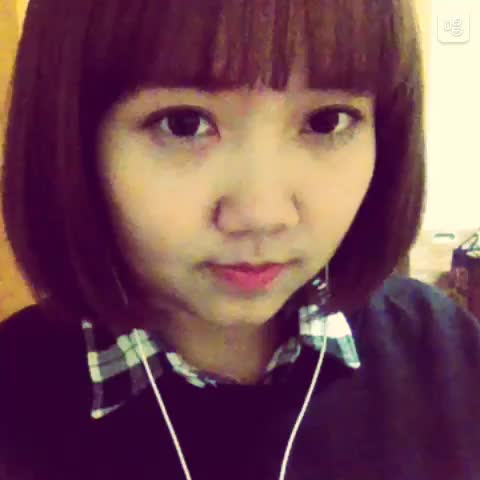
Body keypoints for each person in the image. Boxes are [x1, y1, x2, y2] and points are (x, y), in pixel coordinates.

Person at [1, 0, 479, 479]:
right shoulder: (16, 398)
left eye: (327, 121)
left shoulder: (445, 356)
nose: (263, 215)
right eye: (184, 124)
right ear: (74, 138)